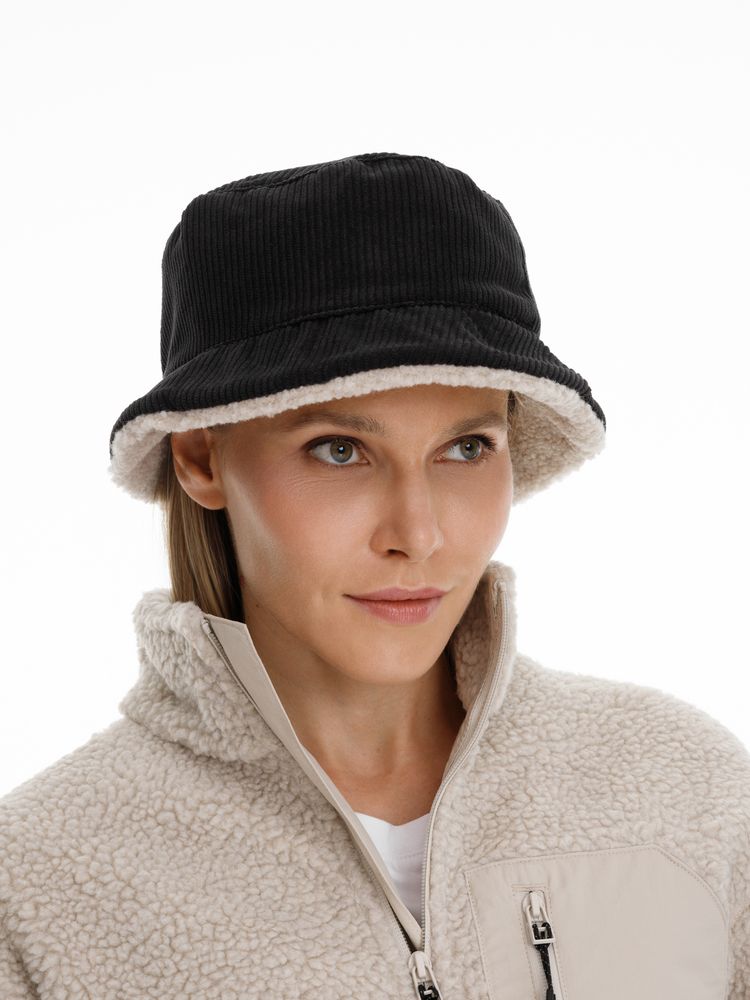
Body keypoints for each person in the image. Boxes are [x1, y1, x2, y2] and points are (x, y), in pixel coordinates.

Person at [0, 152, 748, 1000]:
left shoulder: (689, 790)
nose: (417, 535)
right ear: (201, 456)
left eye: (466, 447)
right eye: (339, 450)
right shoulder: (38, 887)